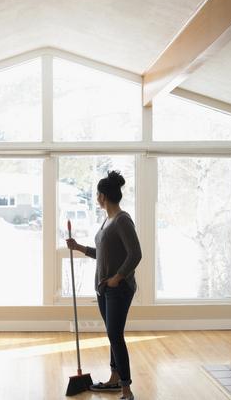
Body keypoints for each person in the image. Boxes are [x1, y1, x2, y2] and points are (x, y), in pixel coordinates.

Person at [67, 170, 142, 400]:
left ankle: (126, 389)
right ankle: (114, 378)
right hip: (104, 288)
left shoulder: (122, 220)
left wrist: (117, 278)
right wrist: (79, 247)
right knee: (112, 335)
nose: (96, 198)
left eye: (97, 194)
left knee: (115, 335)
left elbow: (136, 254)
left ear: (103, 196)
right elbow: (102, 253)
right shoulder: (108, 220)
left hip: (118, 289)